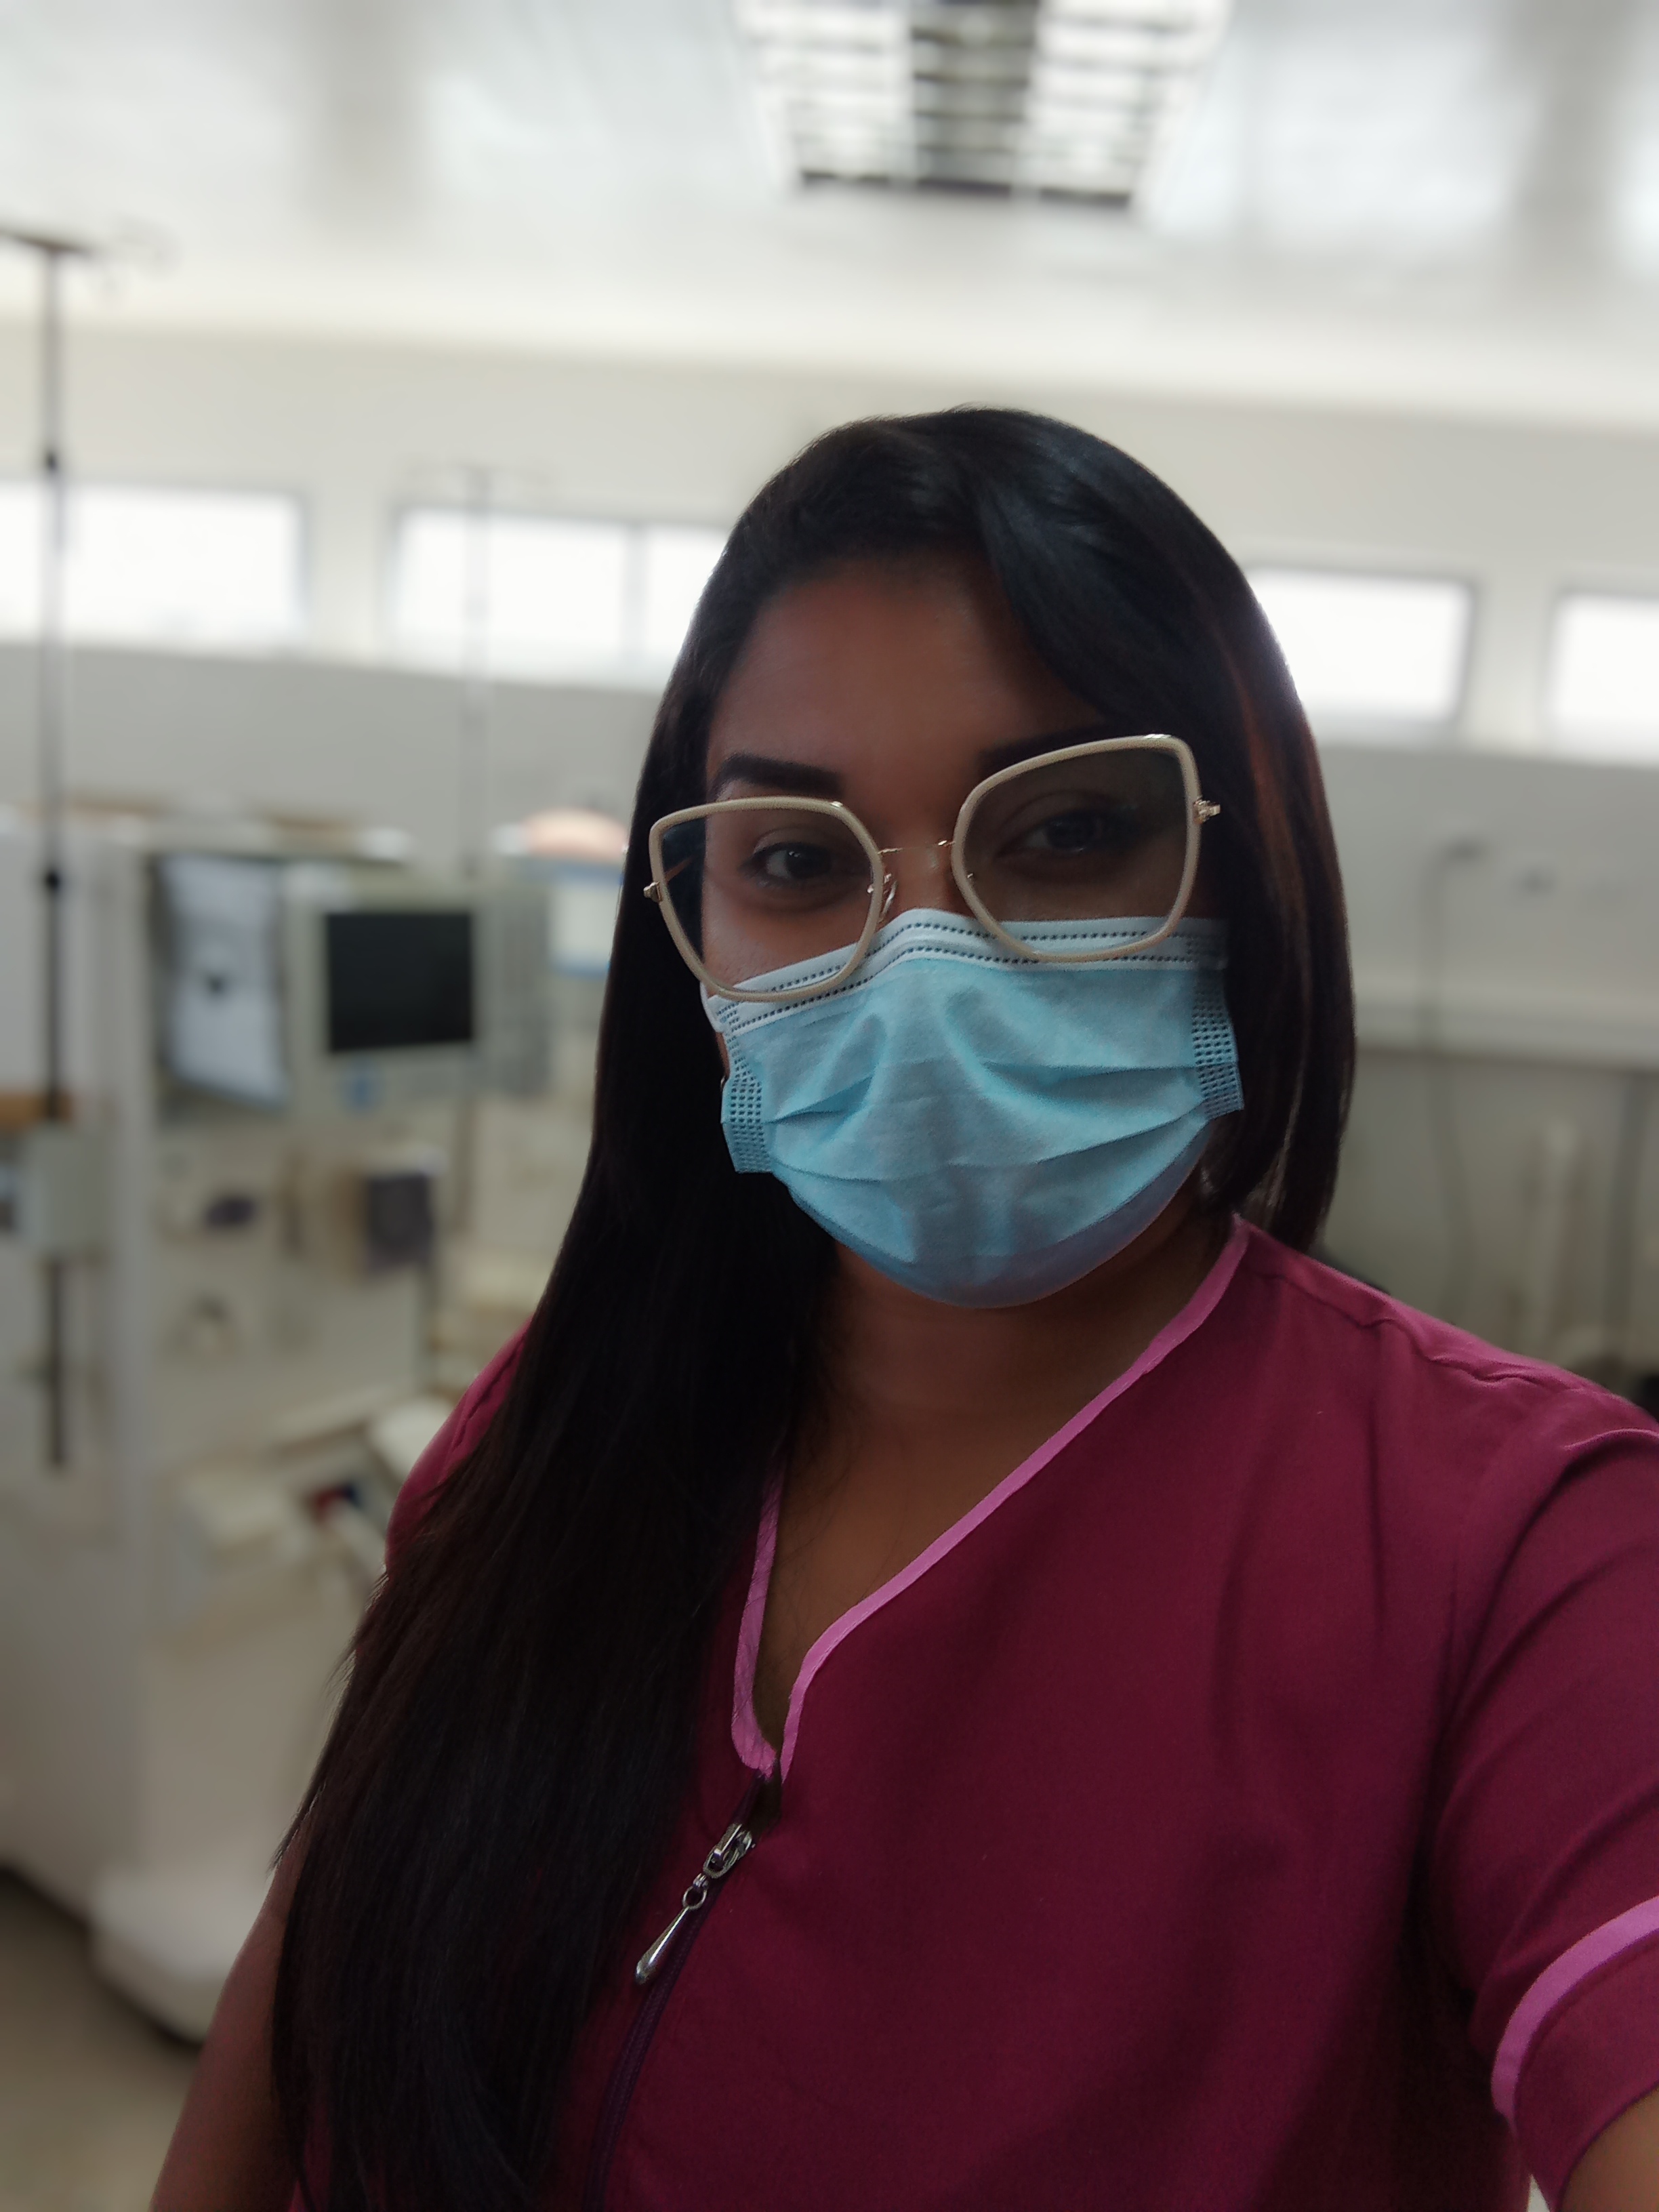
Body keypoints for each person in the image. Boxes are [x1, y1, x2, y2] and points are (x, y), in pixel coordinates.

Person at [155, 411, 1659, 2212]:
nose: (924, 958)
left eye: (1068, 830)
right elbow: (313, 1971)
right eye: (799, 861)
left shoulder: (1513, 1551)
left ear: (1243, 868)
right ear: (691, 923)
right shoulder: (555, 1427)